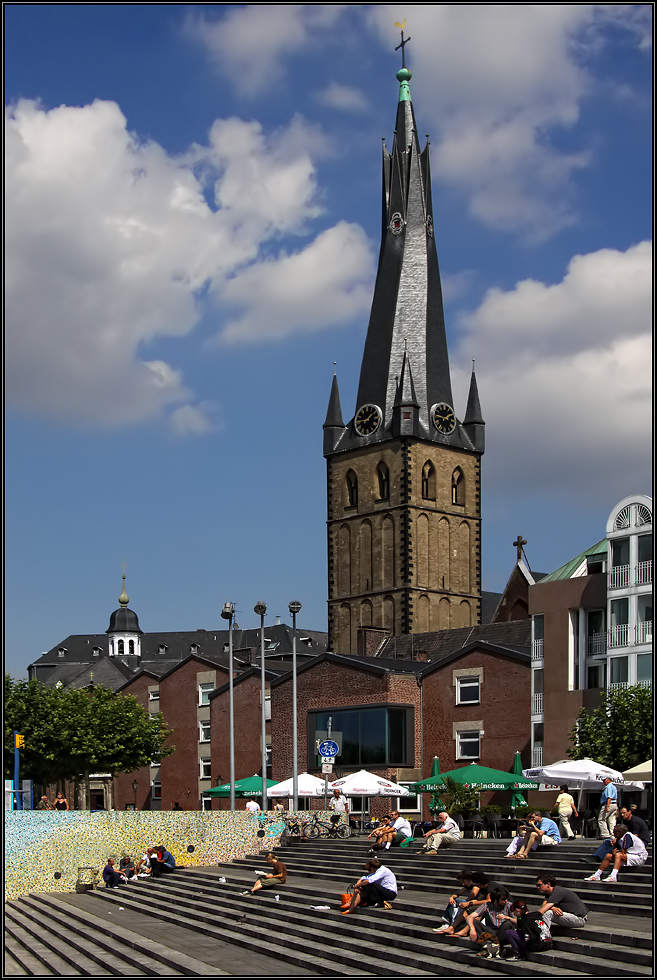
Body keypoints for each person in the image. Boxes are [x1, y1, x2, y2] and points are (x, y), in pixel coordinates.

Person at [433, 871, 503, 935]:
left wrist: (469, 903)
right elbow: (478, 900)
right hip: (489, 905)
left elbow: (488, 901)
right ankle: (452, 927)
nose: (475, 886)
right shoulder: (483, 888)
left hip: (500, 907)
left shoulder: (491, 886)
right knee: (466, 908)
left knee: (478, 912)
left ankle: (464, 931)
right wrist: (467, 903)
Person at [463, 887, 514, 957]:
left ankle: (499, 947)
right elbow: (470, 917)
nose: (505, 901)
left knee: (507, 924)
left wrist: (508, 918)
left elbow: (517, 921)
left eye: (506, 899)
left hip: (502, 932)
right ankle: (485, 947)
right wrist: (472, 929)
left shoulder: (509, 905)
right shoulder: (487, 905)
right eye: (503, 899)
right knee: (474, 922)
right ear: (495, 900)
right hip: (491, 932)